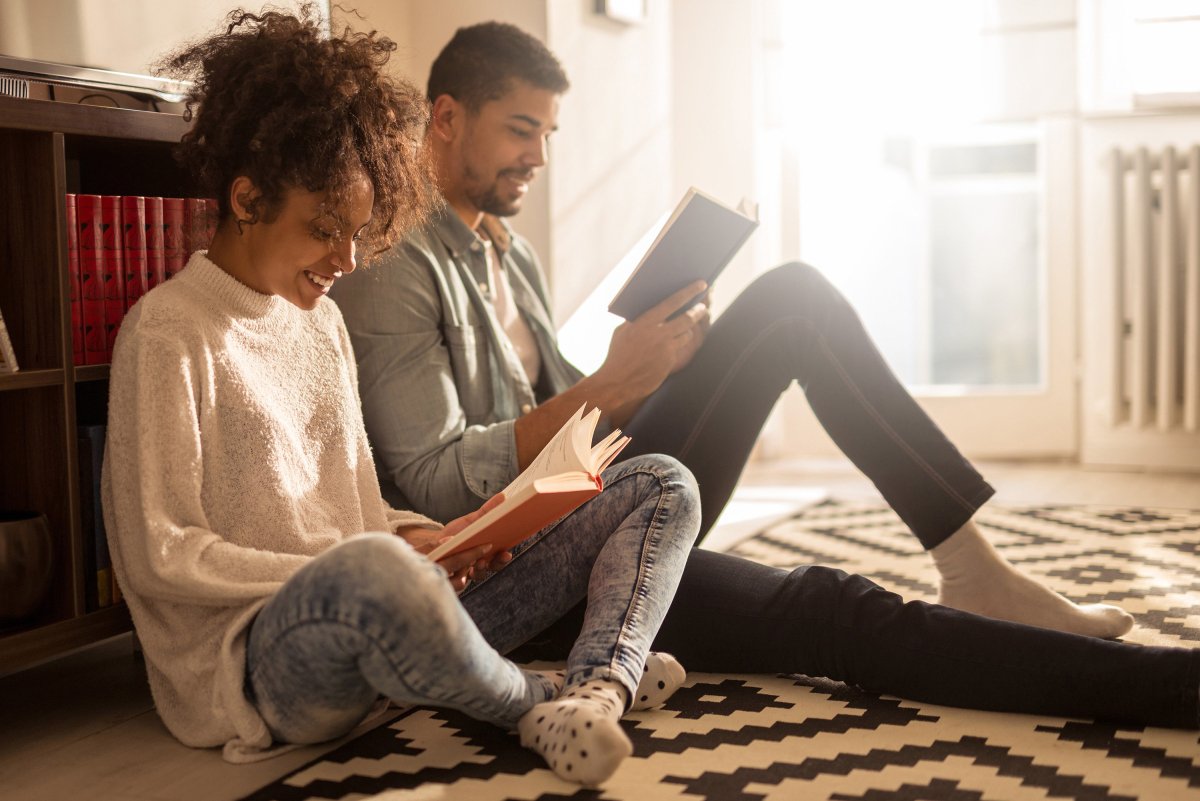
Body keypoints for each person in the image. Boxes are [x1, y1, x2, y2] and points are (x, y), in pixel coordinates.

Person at [329, 19, 1200, 732]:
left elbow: (572, 410)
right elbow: (436, 482)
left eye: (549, 134)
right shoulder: (395, 266)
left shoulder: (504, 250)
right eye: (522, 130)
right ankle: (1160, 688)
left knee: (791, 302)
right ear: (444, 118)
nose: (540, 159)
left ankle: (970, 560)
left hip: (605, 493)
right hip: (534, 569)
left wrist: (657, 362)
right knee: (832, 609)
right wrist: (613, 385)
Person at [101, 8, 701, 786]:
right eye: (326, 230)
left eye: (358, 233)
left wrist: (428, 536)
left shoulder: (320, 327)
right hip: (267, 660)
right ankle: (536, 699)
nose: (347, 261)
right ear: (247, 200)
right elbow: (163, 554)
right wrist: (368, 557)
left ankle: (602, 685)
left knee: (659, 482)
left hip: (397, 610)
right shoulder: (168, 333)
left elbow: (356, 509)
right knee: (375, 571)